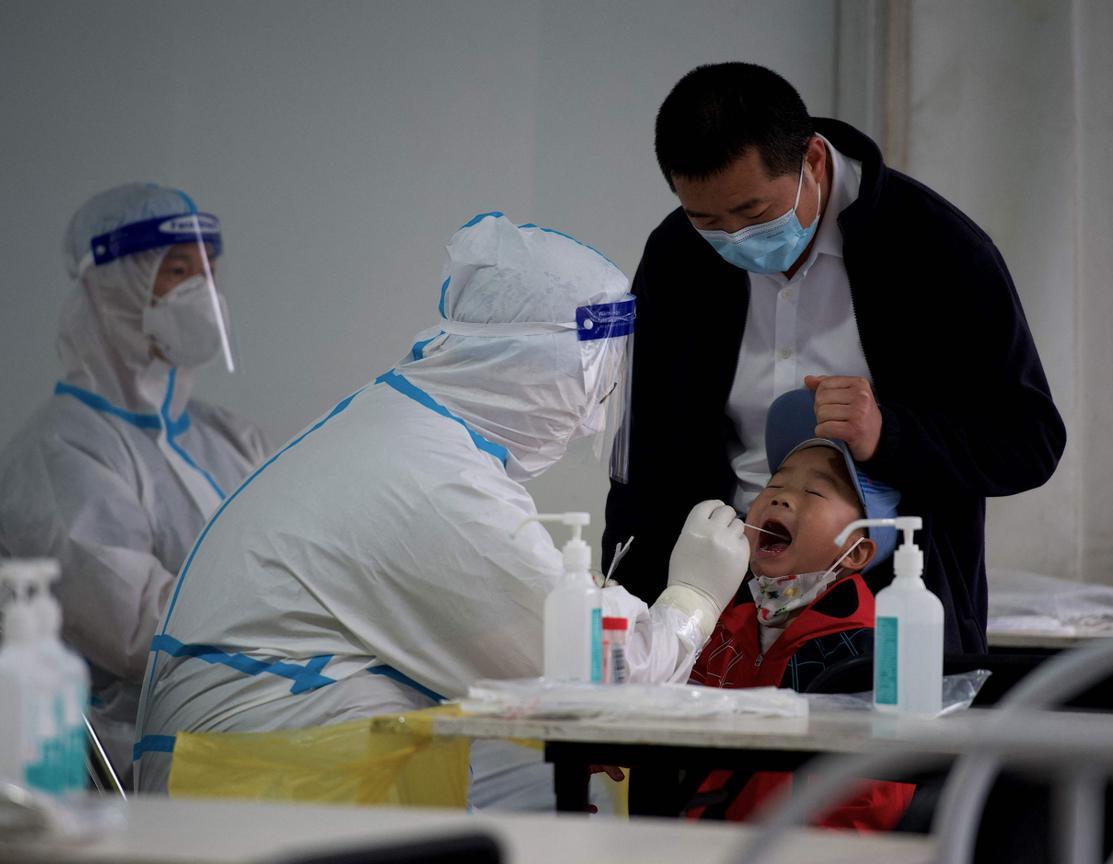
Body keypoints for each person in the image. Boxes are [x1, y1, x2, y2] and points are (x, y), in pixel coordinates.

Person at [133, 212, 750, 805]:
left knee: (547, 785)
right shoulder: (435, 482)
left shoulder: (406, 428)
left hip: (261, 765)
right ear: (545, 365)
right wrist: (691, 600)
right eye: (599, 376)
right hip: (258, 790)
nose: (603, 400)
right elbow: (611, 687)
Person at [602, 62, 1066, 654]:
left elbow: (1029, 442)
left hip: (891, 612)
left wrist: (888, 435)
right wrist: (628, 615)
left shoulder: (937, 249)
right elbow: (644, 455)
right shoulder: (678, 254)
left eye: (753, 214)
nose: (734, 239)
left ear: (813, 162)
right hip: (716, 604)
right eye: (709, 222)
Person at [0, 182, 269, 786]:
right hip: (139, 757)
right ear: (111, 285)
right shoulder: (58, 453)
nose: (203, 293)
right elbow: (141, 630)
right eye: (177, 270)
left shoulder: (228, 436)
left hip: (247, 720)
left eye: (210, 271)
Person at [681, 388, 914, 830]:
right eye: (775, 484)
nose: (780, 498)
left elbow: (871, 801)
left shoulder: (866, 655)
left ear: (858, 552)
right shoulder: (718, 623)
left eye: (813, 491)